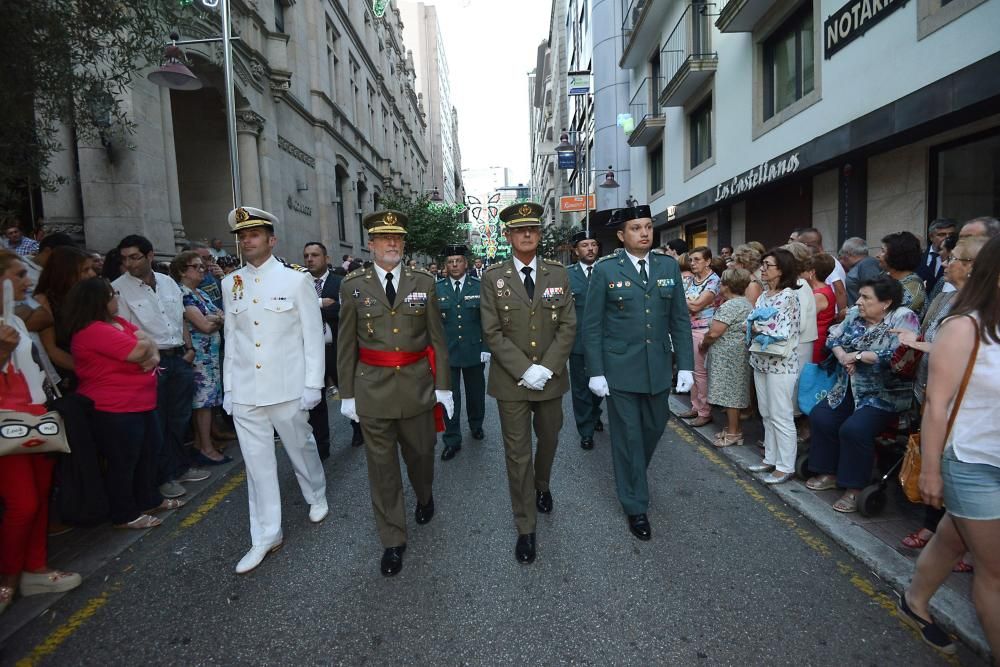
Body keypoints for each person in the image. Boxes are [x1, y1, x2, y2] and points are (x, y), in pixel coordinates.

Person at [899, 236, 1000, 658]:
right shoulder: (964, 327)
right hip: (972, 462)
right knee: (995, 571)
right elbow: (936, 405)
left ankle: (915, 600)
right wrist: (932, 471)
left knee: (953, 538)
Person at [337, 210, 452, 577]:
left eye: (398, 239)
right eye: (385, 239)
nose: (392, 244)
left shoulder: (424, 281)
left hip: (417, 387)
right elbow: (345, 345)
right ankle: (392, 540)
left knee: (421, 455)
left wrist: (444, 387)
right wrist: (348, 394)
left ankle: (424, 494)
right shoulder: (352, 285)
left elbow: (437, 339)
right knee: (382, 470)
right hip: (372, 389)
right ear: (370, 244)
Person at [221, 206, 328, 574]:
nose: (246, 240)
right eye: (242, 236)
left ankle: (316, 493)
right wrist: (229, 389)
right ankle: (266, 535)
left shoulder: (295, 280)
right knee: (257, 466)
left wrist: (313, 384)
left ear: (271, 240)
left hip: (287, 386)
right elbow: (231, 340)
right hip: (248, 390)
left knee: (301, 447)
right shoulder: (229, 283)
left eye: (253, 234)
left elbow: (313, 336)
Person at [584, 206, 694, 541]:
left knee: (654, 427)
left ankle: (633, 474)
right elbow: (592, 326)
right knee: (629, 435)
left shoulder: (667, 266)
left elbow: (679, 319)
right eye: (636, 228)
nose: (644, 233)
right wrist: (596, 372)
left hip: (658, 367)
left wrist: (686, 364)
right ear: (622, 235)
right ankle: (635, 504)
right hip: (619, 369)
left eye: (648, 227)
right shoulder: (605, 271)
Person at [480, 202, 575, 564]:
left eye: (532, 229)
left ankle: (543, 484)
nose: (526, 234)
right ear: (507, 236)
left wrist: (547, 368)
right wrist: (525, 370)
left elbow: (568, 326)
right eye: (519, 230)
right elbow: (491, 332)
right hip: (511, 382)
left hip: (550, 379)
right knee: (518, 453)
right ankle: (526, 527)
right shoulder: (493, 277)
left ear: (539, 234)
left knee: (549, 439)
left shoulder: (557, 274)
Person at [895, 236, 985, 569]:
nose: (945, 263)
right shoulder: (949, 296)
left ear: (974, 267)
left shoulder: (977, 309)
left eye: (955, 258)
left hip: (966, 409)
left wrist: (919, 346)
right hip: (934, 390)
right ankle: (940, 535)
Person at [0, 251, 81, 616]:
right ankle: (8, 579)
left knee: (40, 498)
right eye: (18, 275)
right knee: (23, 504)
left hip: (36, 418)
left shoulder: (15, 320)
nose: (27, 281)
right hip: (7, 425)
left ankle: (35, 570)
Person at [65, 277, 182, 527]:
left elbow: (150, 350)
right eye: (111, 295)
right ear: (98, 301)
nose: (116, 298)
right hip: (115, 407)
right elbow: (141, 351)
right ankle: (124, 514)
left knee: (148, 453)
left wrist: (147, 350)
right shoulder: (93, 330)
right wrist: (146, 350)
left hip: (140, 402)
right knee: (124, 462)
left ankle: (148, 498)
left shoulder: (117, 323)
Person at [805, 276, 919, 511]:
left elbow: (900, 355)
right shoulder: (855, 315)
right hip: (848, 385)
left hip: (884, 392)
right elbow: (833, 337)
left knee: (854, 429)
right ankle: (828, 472)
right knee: (822, 416)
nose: (858, 302)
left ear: (885, 303)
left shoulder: (903, 317)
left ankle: (854, 487)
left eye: (866, 297)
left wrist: (858, 356)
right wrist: (842, 356)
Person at [113, 235, 208, 500]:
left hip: (179, 358)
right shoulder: (119, 289)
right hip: (150, 363)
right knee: (157, 422)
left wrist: (188, 350)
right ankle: (163, 476)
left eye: (135, 257)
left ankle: (180, 466)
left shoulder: (167, 283)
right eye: (125, 258)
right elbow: (125, 332)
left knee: (179, 418)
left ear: (150, 255)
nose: (130, 263)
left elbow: (179, 320)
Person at [745, 248, 801, 484]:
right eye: (763, 264)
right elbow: (755, 324)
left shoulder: (789, 296)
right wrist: (758, 326)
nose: (763, 269)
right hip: (760, 358)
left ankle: (786, 465)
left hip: (781, 363)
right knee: (766, 413)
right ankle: (770, 457)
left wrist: (757, 326)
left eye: (768, 265)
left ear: (782, 270)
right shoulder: (764, 295)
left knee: (781, 415)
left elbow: (781, 330)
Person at [170, 251, 229, 466]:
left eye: (201, 266)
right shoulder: (183, 294)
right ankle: (206, 448)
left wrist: (215, 319)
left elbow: (221, 315)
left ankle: (202, 443)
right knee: (202, 403)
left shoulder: (199, 293)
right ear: (182, 272)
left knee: (209, 401)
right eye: (196, 267)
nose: (202, 269)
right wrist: (216, 320)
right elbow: (204, 325)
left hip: (210, 357)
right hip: (199, 358)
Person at [304, 241, 362, 456]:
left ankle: (359, 429)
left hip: (337, 348)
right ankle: (322, 444)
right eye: (307, 256)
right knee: (316, 400)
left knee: (348, 391)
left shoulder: (342, 282)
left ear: (326, 258)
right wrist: (320, 304)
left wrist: (319, 308)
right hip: (311, 352)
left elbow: (347, 311)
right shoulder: (300, 283)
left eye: (315, 255)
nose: (310, 259)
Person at [435, 243, 488, 461]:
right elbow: (433, 323)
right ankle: (451, 438)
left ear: (466, 264)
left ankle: (476, 425)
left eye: (458, 261)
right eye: (450, 262)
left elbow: (488, 319)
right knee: (450, 397)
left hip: (475, 350)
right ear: (445, 266)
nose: (454, 264)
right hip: (448, 353)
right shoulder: (437, 288)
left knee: (476, 394)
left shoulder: (479, 286)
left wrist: (487, 347)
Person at [702, 268, 754, 447]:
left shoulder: (730, 306)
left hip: (728, 356)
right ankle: (734, 428)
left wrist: (703, 344)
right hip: (738, 353)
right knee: (735, 392)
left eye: (722, 283)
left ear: (727, 286)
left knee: (730, 395)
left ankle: (733, 433)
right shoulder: (745, 303)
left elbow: (714, 333)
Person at [566, 228, 604, 450]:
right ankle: (585, 430)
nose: (590, 249)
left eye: (593, 245)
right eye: (584, 245)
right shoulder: (566, 275)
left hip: (605, 342)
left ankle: (595, 412)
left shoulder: (608, 271)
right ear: (575, 250)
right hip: (578, 342)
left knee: (599, 387)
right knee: (581, 388)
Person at [676, 246, 720, 427]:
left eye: (697, 260)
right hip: (687, 329)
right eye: (691, 260)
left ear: (708, 261)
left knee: (701, 373)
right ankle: (695, 406)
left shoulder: (714, 281)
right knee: (690, 369)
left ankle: (704, 411)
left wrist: (680, 299)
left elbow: (696, 306)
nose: (692, 263)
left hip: (703, 330)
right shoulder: (691, 280)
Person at [796, 228, 848, 317]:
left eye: (798, 244)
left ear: (805, 245)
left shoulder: (824, 261)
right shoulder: (822, 260)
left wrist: (840, 318)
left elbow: (840, 290)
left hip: (829, 315)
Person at [877, 231, 926, 314]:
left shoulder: (911, 289)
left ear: (896, 256)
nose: (877, 255)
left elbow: (884, 316)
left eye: (883, 251)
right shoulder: (884, 276)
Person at [806, 253, 837, 362]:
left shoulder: (819, 295)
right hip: (817, 338)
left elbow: (805, 319)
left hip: (815, 342)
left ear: (812, 272)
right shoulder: (825, 289)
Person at [916, 219, 956, 294]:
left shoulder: (958, 260)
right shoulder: (917, 257)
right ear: (931, 237)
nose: (947, 238)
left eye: (951, 235)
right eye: (942, 235)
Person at [838, 237, 882, 305]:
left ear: (848, 254)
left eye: (843, 254)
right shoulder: (861, 264)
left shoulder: (867, 264)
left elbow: (873, 292)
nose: (842, 258)